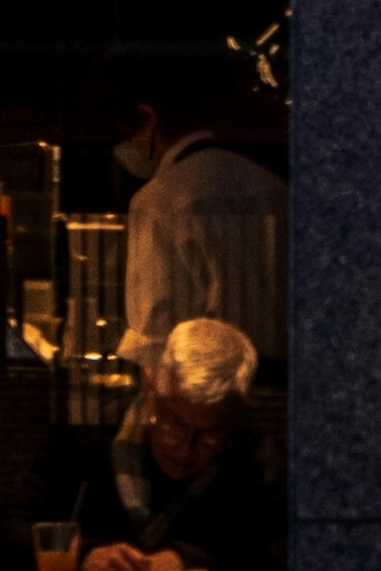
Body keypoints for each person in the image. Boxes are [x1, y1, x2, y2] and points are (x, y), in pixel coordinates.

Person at [50, 315, 285, 571]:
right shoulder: (91, 443)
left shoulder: (256, 466)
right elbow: (2, 540)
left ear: (234, 419)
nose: (185, 449)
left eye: (208, 437)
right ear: (151, 389)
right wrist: (84, 554)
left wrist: (193, 561)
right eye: (173, 423)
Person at [106, 63, 289, 366]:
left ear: (148, 118)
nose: (121, 149)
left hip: (210, 397)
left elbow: (157, 335)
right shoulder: (272, 186)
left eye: (121, 135)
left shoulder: (157, 202)